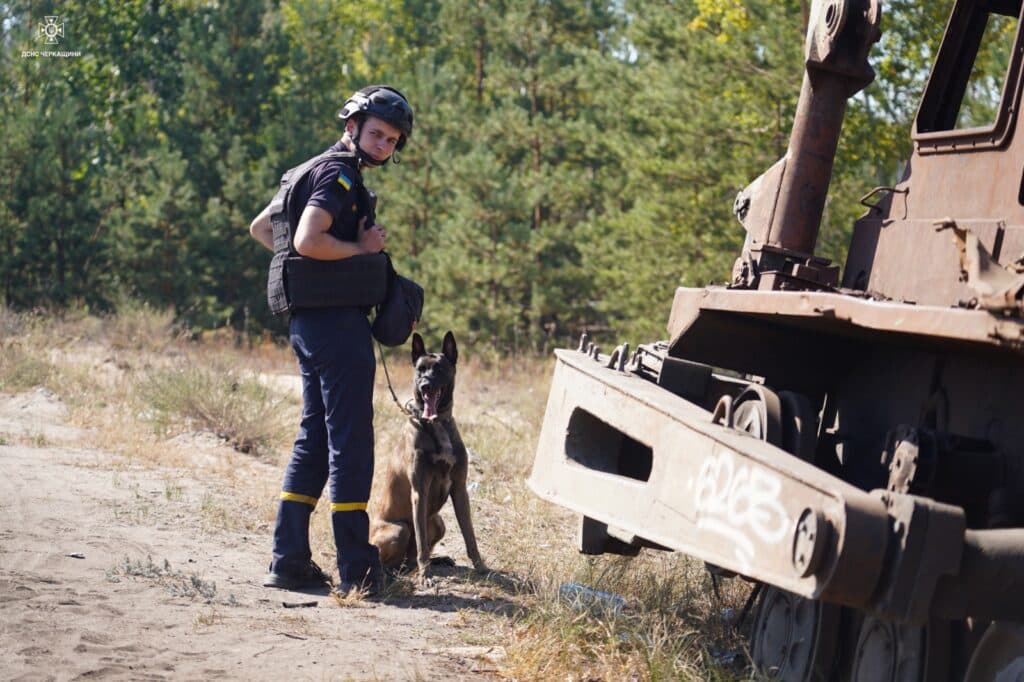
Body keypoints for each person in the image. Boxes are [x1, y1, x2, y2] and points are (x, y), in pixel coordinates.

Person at [248, 85, 414, 596]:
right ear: (352, 126)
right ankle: (358, 569)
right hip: (336, 328)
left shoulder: (307, 169)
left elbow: (262, 229)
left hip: (309, 324)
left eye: (392, 140)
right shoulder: (339, 174)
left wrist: (315, 271)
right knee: (351, 442)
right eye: (377, 134)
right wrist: (359, 248)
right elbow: (304, 240)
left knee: (315, 438)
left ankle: (289, 558)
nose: (384, 145)